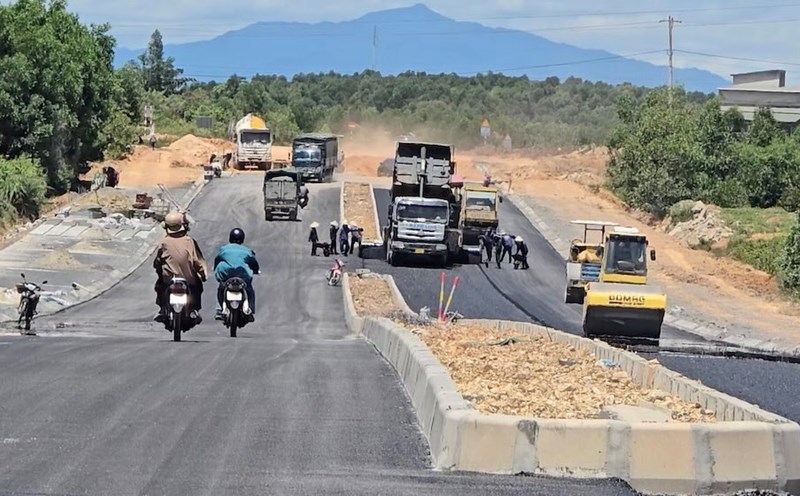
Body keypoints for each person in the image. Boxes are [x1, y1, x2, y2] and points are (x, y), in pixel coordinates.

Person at [153, 211, 207, 324]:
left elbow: (158, 261)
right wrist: (202, 274)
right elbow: (197, 261)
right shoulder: (189, 241)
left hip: (169, 279)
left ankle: (162, 310)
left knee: (159, 287)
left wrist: (159, 269)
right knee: (198, 288)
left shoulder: (164, 242)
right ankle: (194, 310)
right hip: (188, 279)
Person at [213, 228, 259, 322]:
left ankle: (219, 309)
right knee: (249, 289)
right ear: (242, 238)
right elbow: (254, 263)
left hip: (226, 275)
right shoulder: (247, 251)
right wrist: (256, 270)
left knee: (221, 288)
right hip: (243, 275)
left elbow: (217, 260)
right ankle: (250, 310)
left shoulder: (224, 249)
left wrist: (215, 268)